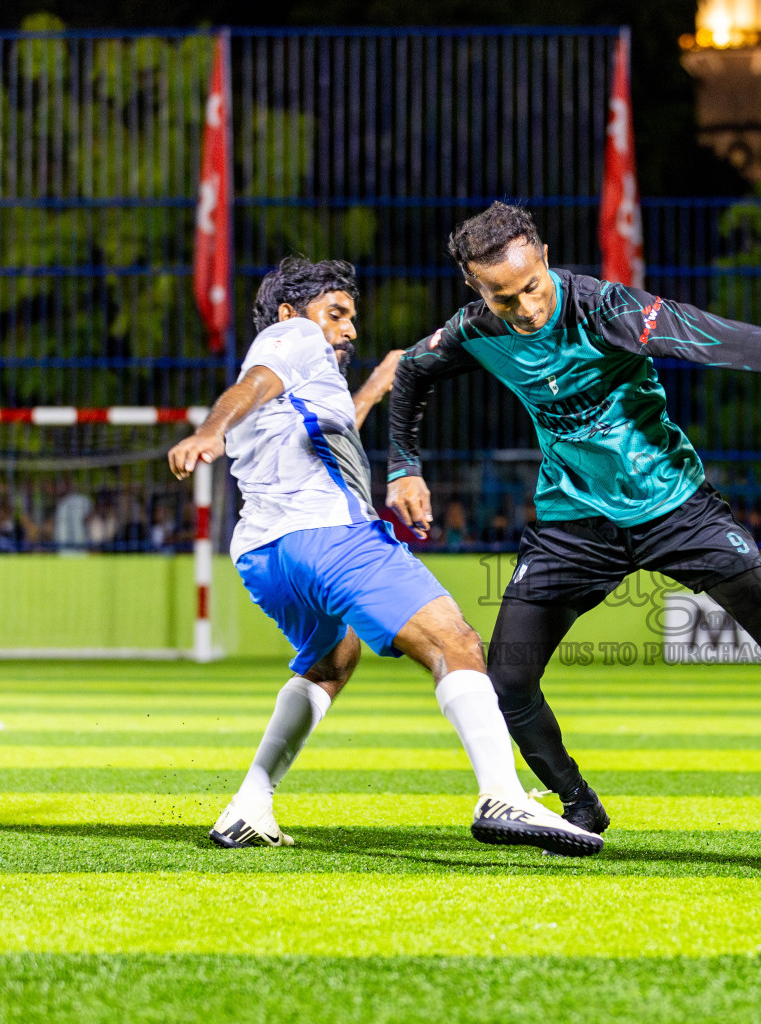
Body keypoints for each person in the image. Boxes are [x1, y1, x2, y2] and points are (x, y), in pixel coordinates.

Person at [386, 202, 761, 843]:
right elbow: (410, 370)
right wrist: (404, 467)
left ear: (545, 258)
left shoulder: (608, 311)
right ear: (476, 288)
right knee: (509, 678)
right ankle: (578, 805)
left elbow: (726, 340)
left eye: (531, 288)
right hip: (571, 523)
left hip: (674, 508)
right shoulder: (472, 332)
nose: (525, 310)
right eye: (504, 299)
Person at [168, 256, 599, 857]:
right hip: (329, 536)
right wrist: (210, 429)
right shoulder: (289, 337)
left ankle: (249, 805)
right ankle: (501, 793)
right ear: (293, 313)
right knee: (456, 642)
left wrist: (371, 389)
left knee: (331, 658)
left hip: (265, 552)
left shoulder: (308, 381)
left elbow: (320, 427)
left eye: (351, 317)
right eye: (336, 314)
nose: (348, 329)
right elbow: (252, 384)